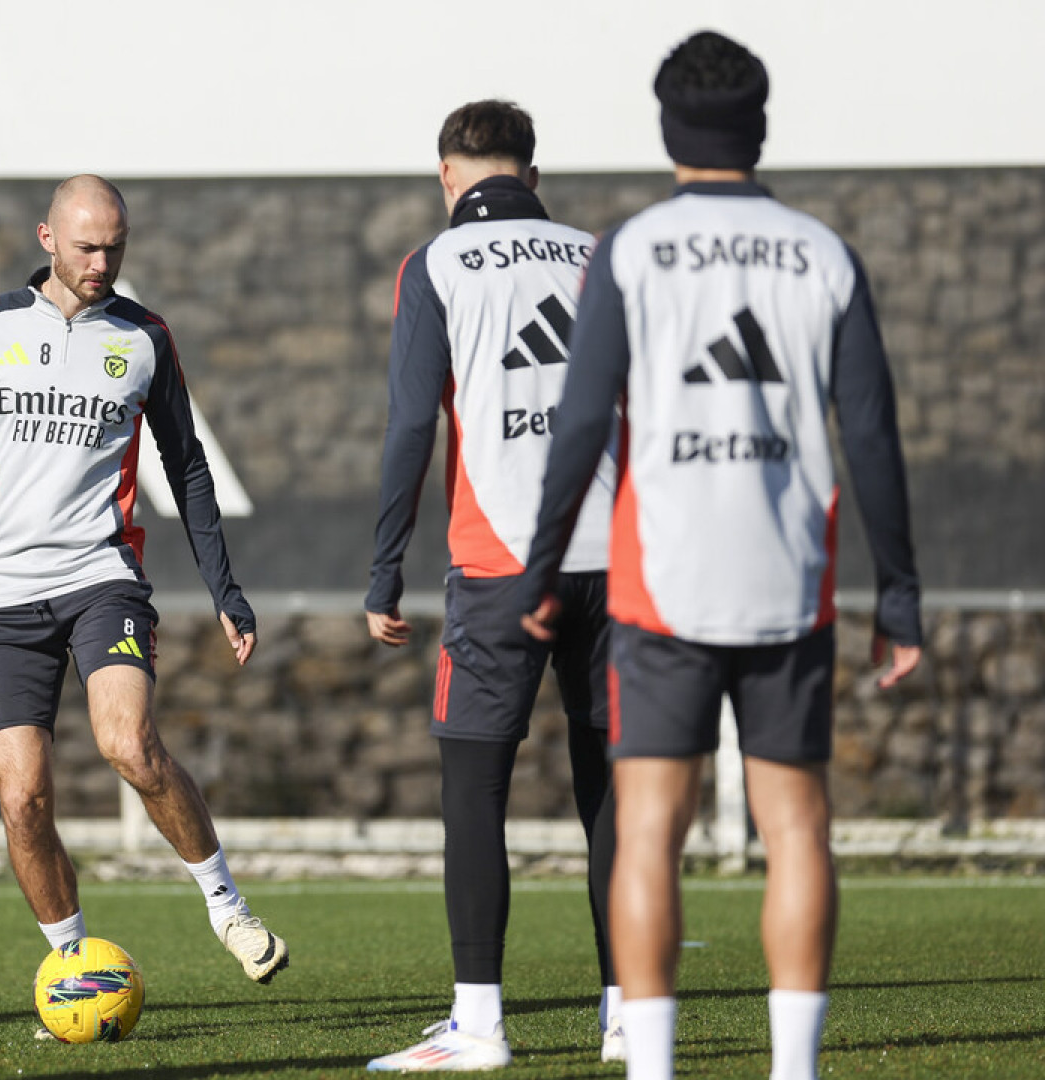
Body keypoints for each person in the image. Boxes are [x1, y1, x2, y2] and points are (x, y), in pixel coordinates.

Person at [515, 31, 922, 1080]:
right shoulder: (825, 253)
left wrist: (539, 570)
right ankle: (794, 1070)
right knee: (797, 828)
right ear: (762, 125)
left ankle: (652, 1068)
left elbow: (578, 429)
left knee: (648, 827)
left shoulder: (637, 249)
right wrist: (903, 594)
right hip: (787, 581)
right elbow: (870, 434)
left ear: (667, 129)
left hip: (663, 586)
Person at [0, 175, 288, 991]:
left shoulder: (144, 337)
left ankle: (227, 907)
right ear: (47, 238)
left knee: (128, 745)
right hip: (8, 594)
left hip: (104, 580)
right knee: (23, 797)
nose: (103, 262)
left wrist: (225, 591)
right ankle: (75, 967)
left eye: (116, 247)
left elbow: (189, 470)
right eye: (88, 246)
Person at [363, 100, 621, 1072]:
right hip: (611, 559)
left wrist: (385, 568)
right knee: (612, 785)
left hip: (498, 562)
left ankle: (480, 1024)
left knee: (475, 786)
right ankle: (627, 1011)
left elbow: (409, 428)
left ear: (447, 177)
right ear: (534, 178)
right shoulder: (600, 257)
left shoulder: (433, 265)